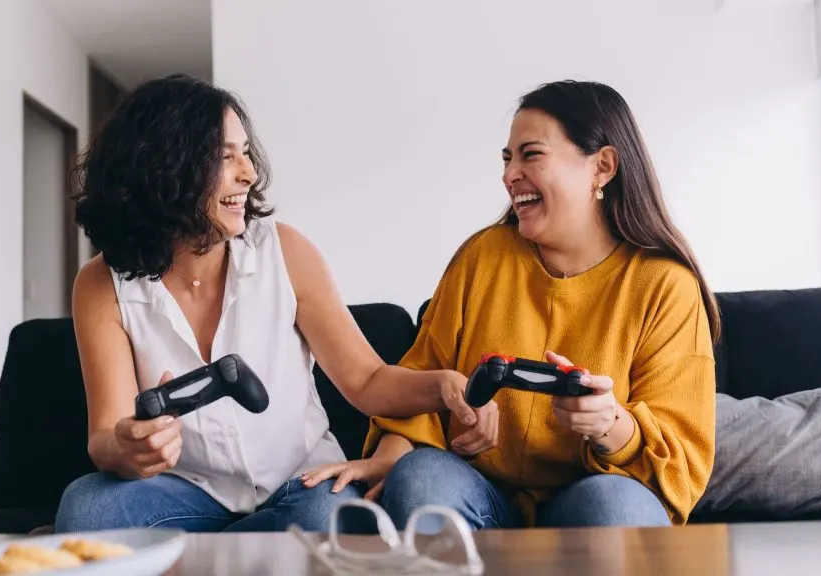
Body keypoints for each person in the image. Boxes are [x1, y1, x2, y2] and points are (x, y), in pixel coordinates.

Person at [53, 74, 495, 534]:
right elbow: (106, 434)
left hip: (301, 485)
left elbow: (366, 381)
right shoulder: (101, 283)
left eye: (245, 153)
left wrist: (443, 385)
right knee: (87, 506)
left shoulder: (285, 251)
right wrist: (128, 448)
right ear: (165, 167)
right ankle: (245, 551)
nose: (249, 173)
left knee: (330, 516)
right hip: (184, 491)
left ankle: (209, 553)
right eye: (225, 157)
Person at [301, 79, 719, 530]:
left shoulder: (665, 285)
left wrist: (609, 425)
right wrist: (395, 455)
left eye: (530, 154)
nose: (509, 174)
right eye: (507, 158)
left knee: (616, 509)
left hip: (595, 494)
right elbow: (420, 385)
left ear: (602, 166)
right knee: (421, 481)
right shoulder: (482, 257)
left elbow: (681, 460)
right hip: (480, 493)